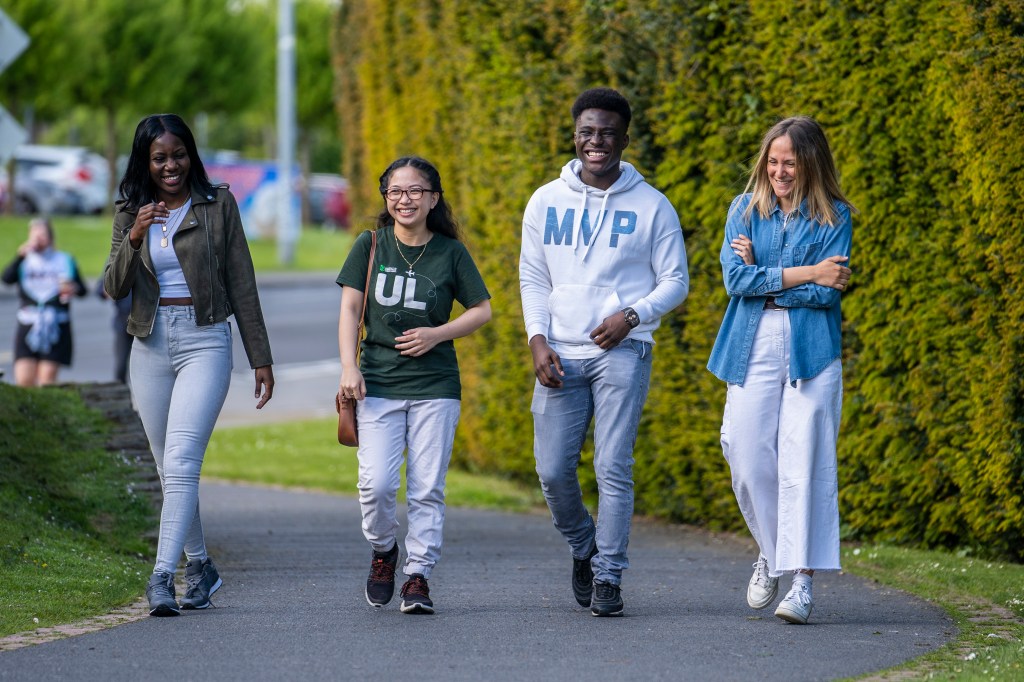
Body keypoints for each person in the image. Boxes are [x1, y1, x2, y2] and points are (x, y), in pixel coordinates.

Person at [519, 87, 689, 617]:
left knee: (614, 464)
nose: (597, 141)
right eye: (588, 131)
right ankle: (584, 548)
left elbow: (676, 280)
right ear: (575, 135)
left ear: (624, 138)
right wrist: (538, 339)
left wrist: (631, 316)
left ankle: (610, 576)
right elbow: (532, 276)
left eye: (608, 132)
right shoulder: (545, 200)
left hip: (624, 349)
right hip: (560, 353)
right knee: (551, 470)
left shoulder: (652, 205)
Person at [103, 113, 275, 617]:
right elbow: (113, 288)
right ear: (145, 162)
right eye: (160, 158)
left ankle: (162, 577)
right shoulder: (129, 212)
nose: (171, 165)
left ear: (190, 154)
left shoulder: (218, 204)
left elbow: (242, 282)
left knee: (180, 463)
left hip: (205, 340)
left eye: (178, 154)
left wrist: (260, 357)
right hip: (150, 345)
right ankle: (200, 565)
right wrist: (134, 236)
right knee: (169, 469)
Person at [706, 115, 854, 625]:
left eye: (790, 161)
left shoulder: (835, 217)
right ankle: (771, 552)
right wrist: (809, 270)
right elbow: (734, 280)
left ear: (811, 163)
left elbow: (824, 291)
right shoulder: (742, 210)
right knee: (744, 454)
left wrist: (768, 276)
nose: (780, 171)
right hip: (751, 342)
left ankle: (801, 583)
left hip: (812, 349)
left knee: (805, 460)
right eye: (773, 160)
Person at [336, 156, 491, 615]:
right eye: (395, 192)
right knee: (377, 485)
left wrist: (437, 334)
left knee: (426, 487)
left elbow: (482, 309)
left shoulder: (450, 252)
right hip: (378, 383)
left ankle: (418, 576)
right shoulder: (369, 245)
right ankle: (384, 549)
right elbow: (349, 311)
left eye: (415, 191)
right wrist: (350, 367)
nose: (405, 200)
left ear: (433, 199)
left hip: (436, 385)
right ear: (386, 198)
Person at [2, 218, 87, 387]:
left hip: (56, 323)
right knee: (24, 378)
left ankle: (45, 413)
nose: (38, 240)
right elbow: (6, 279)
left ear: (50, 237)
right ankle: (26, 413)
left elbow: (83, 290)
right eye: (34, 235)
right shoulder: (25, 260)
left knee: (46, 378)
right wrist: (20, 256)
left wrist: (73, 288)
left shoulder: (64, 260)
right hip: (28, 323)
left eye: (42, 235)